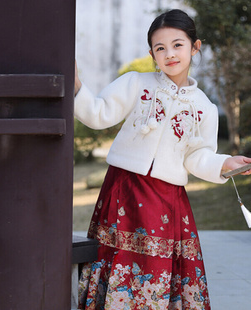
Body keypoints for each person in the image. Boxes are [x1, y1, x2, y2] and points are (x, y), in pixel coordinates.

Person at [74, 9, 251, 310]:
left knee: (157, 269)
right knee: (117, 260)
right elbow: (98, 113)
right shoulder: (135, 84)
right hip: (123, 190)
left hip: (167, 200)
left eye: (177, 44)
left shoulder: (205, 108)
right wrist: (76, 84)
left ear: (195, 47)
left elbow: (197, 156)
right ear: (152, 54)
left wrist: (223, 164)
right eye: (160, 48)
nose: (169, 53)